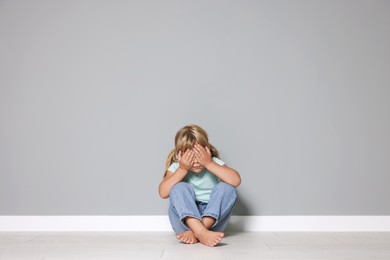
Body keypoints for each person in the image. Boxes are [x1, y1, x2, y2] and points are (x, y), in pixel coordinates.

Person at [158, 124, 241, 247]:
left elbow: (235, 180)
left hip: (213, 219)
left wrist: (208, 163)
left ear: (207, 151)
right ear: (179, 155)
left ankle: (197, 232)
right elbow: (163, 192)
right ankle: (200, 232)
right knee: (179, 187)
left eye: (199, 155)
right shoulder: (177, 167)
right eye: (190, 157)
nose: (196, 161)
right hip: (184, 220)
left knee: (227, 188)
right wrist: (182, 169)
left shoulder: (212, 162)